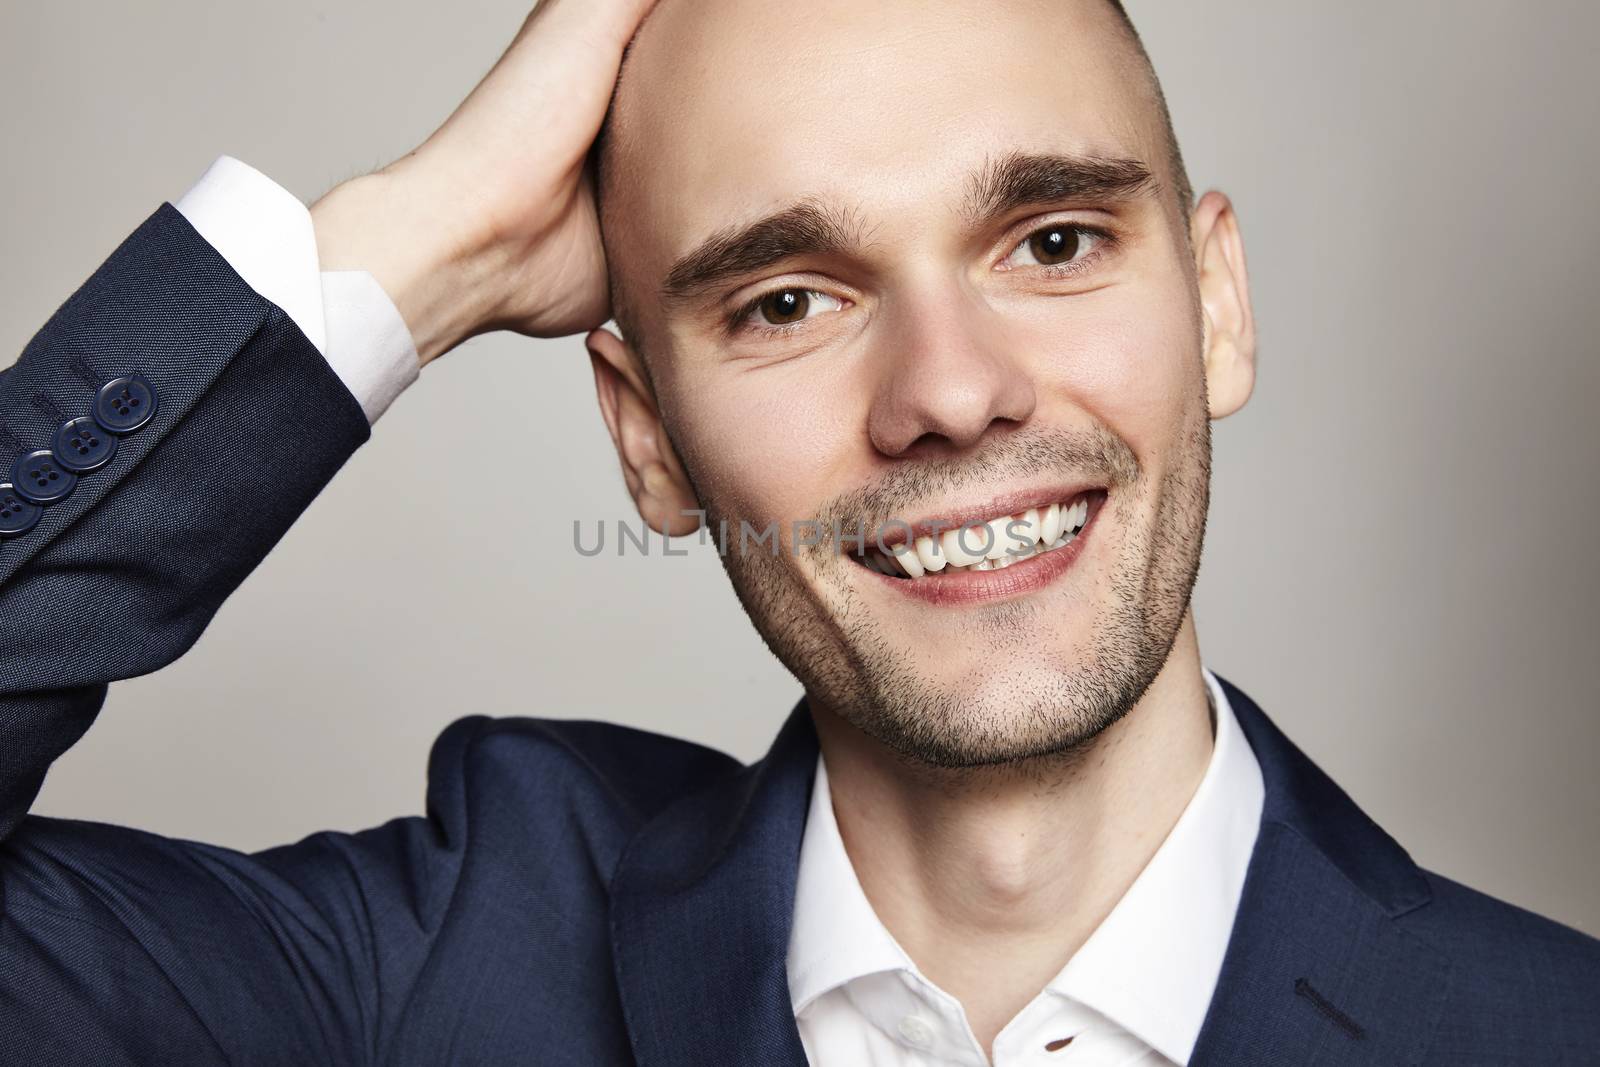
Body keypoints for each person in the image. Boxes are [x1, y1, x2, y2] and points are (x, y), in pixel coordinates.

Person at [0, 0, 1595, 1063]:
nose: (953, 393)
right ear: (650, 441)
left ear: (1218, 306)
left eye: (1051, 240)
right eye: (788, 299)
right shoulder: (436, 972)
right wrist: (417, 254)